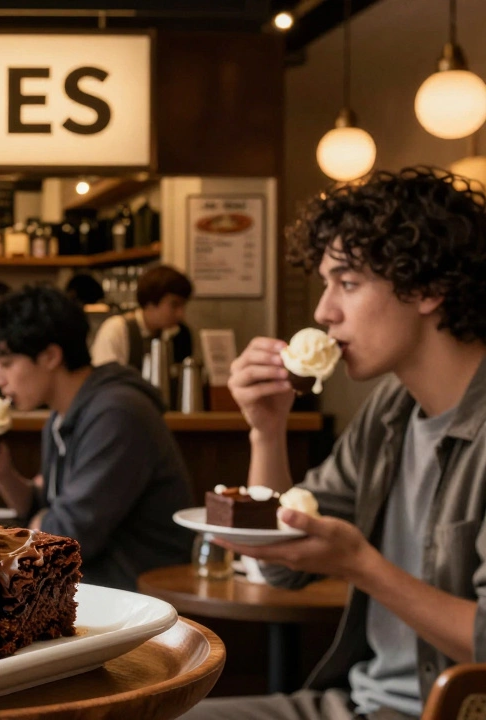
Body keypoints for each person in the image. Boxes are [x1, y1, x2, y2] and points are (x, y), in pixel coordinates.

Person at [181, 167, 486, 720]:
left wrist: (363, 566)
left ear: (428, 287)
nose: (324, 311)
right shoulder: (390, 414)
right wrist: (267, 430)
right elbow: (281, 566)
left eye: (346, 282)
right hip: (354, 703)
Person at [0, 285, 193, 590]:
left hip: (136, 594)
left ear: (50, 356)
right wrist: (4, 475)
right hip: (91, 585)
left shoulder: (116, 414)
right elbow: (46, 509)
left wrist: (34, 526)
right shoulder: (62, 416)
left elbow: (66, 534)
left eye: (5, 364)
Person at [89, 264, 193, 369]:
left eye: (183, 306)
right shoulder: (117, 329)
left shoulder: (179, 335)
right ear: (151, 302)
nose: (181, 314)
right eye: (174, 305)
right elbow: (104, 380)